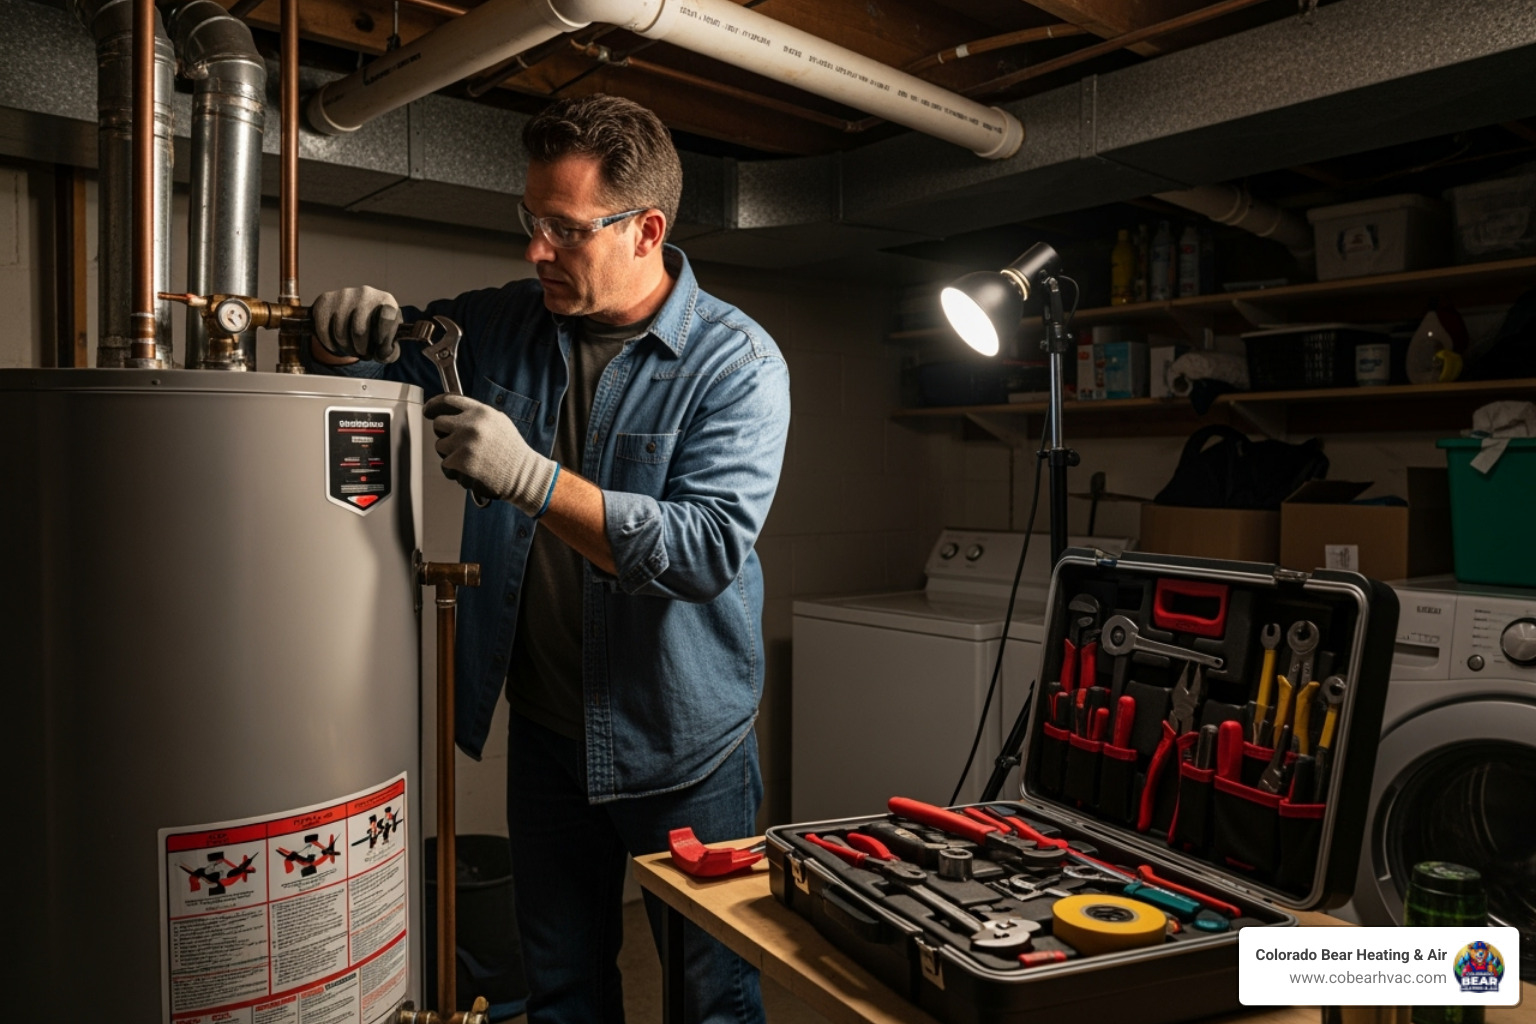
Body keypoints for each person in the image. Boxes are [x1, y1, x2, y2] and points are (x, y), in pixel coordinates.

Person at [307, 93, 790, 1024]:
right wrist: (342, 340)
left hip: (686, 747)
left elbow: (705, 549)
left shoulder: (737, 363)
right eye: (530, 221)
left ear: (646, 229)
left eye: (566, 230)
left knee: (714, 1002)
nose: (537, 250)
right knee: (562, 994)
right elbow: (374, 379)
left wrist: (531, 478)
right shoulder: (500, 324)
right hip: (547, 737)